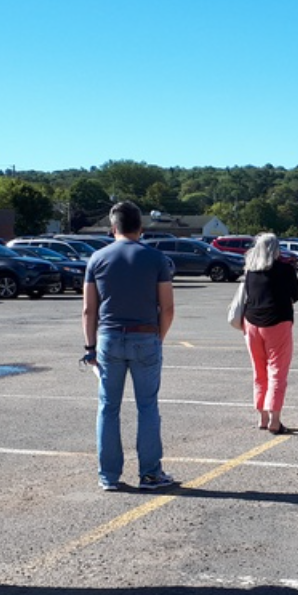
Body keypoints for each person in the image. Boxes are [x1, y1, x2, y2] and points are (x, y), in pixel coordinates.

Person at [81, 200, 178, 492]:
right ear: (140, 228)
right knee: (147, 407)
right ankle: (150, 474)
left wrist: (90, 348)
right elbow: (168, 308)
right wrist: (158, 338)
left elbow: (89, 310)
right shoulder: (156, 259)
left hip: (109, 338)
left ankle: (108, 476)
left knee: (108, 407)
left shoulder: (97, 258)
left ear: (114, 228)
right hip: (145, 336)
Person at [241, 232, 298, 433]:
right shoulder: (285, 269)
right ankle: (275, 420)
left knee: (259, 372)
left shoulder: (250, 270)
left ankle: (263, 417)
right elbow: (296, 295)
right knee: (277, 372)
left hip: (251, 322)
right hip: (277, 322)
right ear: (275, 249)